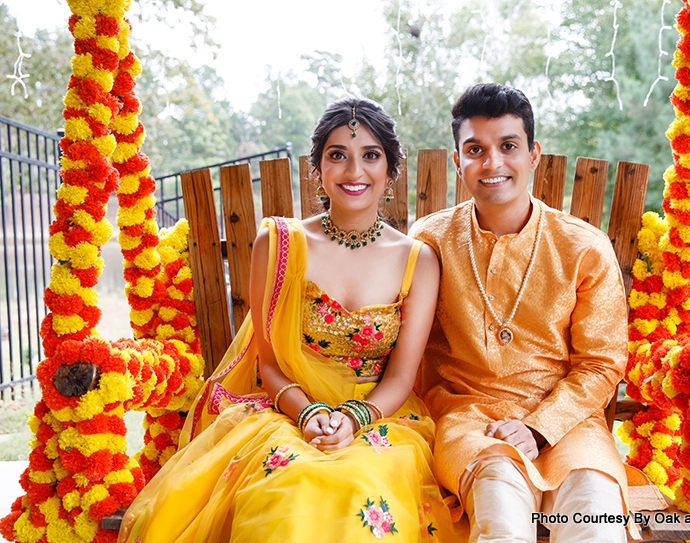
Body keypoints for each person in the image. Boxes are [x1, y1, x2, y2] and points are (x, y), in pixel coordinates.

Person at [119, 97, 465, 543]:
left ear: (390, 171)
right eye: (337, 155)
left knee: (359, 491)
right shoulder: (280, 244)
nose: (353, 171)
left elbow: (401, 376)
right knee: (289, 485)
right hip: (289, 414)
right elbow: (268, 365)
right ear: (317, 170)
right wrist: (311, 413)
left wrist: (355, 419)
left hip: (381, 420)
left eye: (370, 156)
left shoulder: (417, 260)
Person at [411, 83, 629, 543]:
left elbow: (602, 361)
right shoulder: (431, 239)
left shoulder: (582, 247)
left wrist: (540, 426)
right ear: (458, 161)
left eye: (508, 146)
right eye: (475, 150)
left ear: (533, 155)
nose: (492, 163)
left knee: (595, 520)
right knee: (503, 522)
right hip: (469, 419)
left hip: (568, 421)